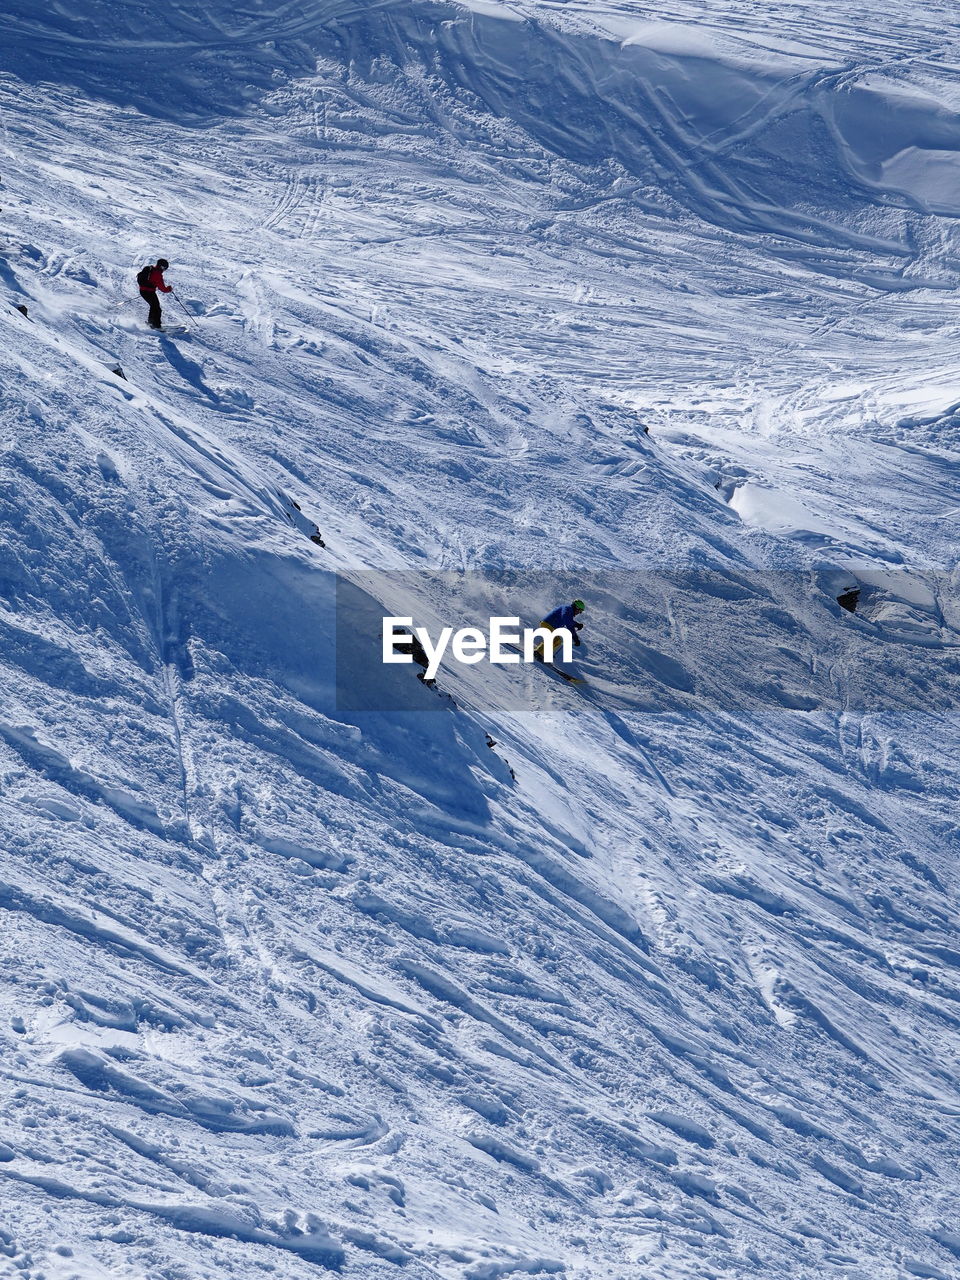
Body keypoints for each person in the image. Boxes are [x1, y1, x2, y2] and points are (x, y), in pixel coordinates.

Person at [137, 258, 172, 329]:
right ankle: (156, 325)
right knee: (157, 308)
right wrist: (169, 289)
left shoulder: (151, 269)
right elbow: (163, 289)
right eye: (165, 268)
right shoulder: (158, 274)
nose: (164, 270)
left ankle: (151, 322)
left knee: (154, 306)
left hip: (143, 291)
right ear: (162, 267)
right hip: (149, 292)